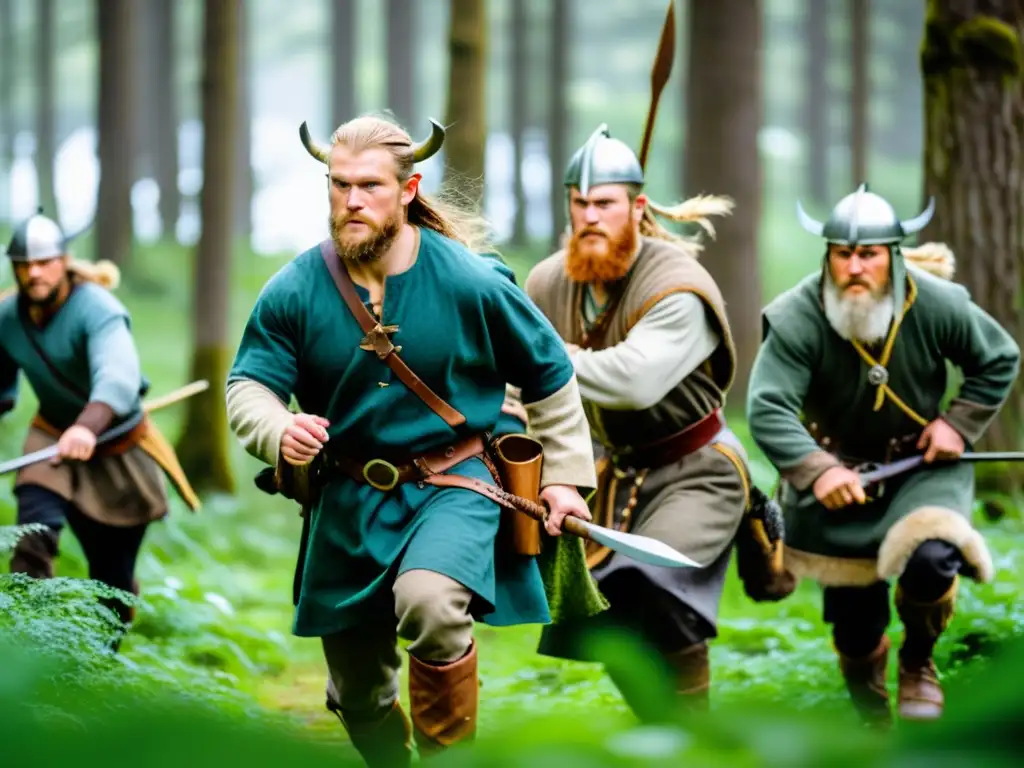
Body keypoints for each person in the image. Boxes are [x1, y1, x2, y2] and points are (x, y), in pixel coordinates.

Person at [225, 113, 604, 766]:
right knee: (358, 694)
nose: (351, 201)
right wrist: (278, 428)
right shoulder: (294, 288)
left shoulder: (471, 282)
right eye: (338, 185)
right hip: (345, 497)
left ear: (408, 188)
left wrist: (565, 479)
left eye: (369, 186)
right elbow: (248, 387)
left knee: (430, 603)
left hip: (453, 484)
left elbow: (549, 373)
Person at [524, 123, 782, 721]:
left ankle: (690, 734)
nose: (590, 216)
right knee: (598, 607)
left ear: (637, 209)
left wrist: (543, 356)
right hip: (609, 471)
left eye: (605, 203)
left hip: (697, 471)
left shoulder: (679, 287)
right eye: (580, 202)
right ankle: (667, 731)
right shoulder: (547, 281)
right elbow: (518, 383)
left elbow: (633, 381)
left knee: (647, 584)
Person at [746, 184, 1020, 725]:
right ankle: (871, 712)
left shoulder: (937, 303)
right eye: (842, 254)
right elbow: (767, 407)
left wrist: (957, 424)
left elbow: (999, 357)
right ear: (827, 256)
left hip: (921, 470)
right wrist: (818, 470)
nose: (854, 267)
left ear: (892, 256)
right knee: (854, 620)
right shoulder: (796, 316)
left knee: (933, 555)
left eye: (868, 254)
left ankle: (919, 660)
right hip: (835, 476)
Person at [0, 208, 200, 636]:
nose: (33, 273)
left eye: (43, 262)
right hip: (51, 436)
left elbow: (118, 377)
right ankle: (26, 642)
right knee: (33, 536)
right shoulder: (8, 316)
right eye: (23, 265)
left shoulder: (98, 308)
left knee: (112, 577)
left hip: (117, 446)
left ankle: (98, 667)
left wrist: (86, 428)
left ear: (63, 261)